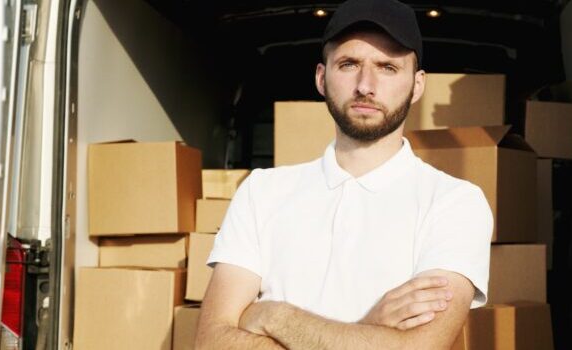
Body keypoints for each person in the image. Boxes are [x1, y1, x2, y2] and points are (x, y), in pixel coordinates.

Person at [195, 0, 493, 348]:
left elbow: (418, 348)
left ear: (417, 85)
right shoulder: (260, 192)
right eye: (349, 64)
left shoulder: (454, 202)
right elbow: (212, 341)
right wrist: (368, 329)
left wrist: (273, 316)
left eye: (387, 67)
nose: (365, 85)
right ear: (321, 78)